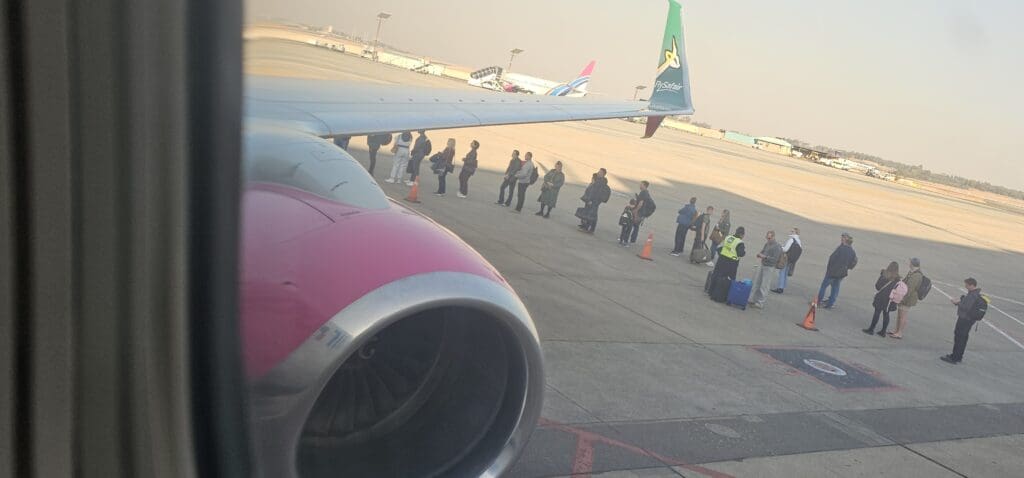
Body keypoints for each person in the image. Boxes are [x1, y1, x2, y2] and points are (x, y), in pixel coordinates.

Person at [942, 278, 985, 364]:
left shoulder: (972, 295)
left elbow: (966, 308)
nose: (965, 286)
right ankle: (958, 356)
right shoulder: (975, 294)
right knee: (963, 338)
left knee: (959, 337)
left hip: (965, 319)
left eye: (967, 285)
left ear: (971, 285)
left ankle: (954, 357)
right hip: (969, 320)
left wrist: (957, 303)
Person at [817, 232, 857, 309]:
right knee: (835, 288)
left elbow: (832, 258)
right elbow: (854, 262)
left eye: (843, 238)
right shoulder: (852, 251)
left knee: (824, 286)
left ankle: (818, 301)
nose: (841, 239)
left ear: (846, 240)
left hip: (833, 271)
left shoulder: (841, 248)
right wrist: (847, 267)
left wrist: (829, 269)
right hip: (842, 273)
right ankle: (830, 303)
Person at [863, 262, 901, 337]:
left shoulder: (884, 275)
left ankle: (871, 329)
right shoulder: (898, 279)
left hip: (881, 297)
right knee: (886, 314)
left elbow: (877, 286)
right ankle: (883, 331)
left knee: (877, 312)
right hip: (890, 299)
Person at [889, 258, 923, 339]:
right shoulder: (912, 272)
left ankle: (899, 332)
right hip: (904, 296)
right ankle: (896, 330)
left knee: (903, 315)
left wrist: (902, 298)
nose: (909, 264)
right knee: (899, 315)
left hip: (908, 299)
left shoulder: (916, 275)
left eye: (910, 262)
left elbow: (909, 289)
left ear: (912, 264)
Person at [748, 230, 783, 309]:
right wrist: (759, 254)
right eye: (767, 238)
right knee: (757, 282)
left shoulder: (777, 247)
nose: (768, 239)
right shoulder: (767, 244)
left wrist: (765, 257)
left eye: (769, 238)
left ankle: (760, 303)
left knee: (764, 286)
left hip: (770, 267)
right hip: (762, 264)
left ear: (773, 237)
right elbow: (763, 251)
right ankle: (752, 299)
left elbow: (775, 259)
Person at [577, 168, 610, 233]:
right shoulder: (596, 179)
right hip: (590, 199)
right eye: (599, 171)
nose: (598, 173)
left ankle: (588, 228)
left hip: (594, 201)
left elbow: (597, 193)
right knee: (589, 213)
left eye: (600, 172)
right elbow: (591, 189)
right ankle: (587, 226)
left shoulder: (601, 183)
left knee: (592, 214)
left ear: (603, 174)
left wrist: (592, 201)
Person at [771, 227, 802, 294]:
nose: (791, 232)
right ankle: (783, 286)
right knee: (785, 273)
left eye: (792, 231)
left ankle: (780, 288)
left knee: (782, 272)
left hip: (786, 258)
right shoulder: (799, 241)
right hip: (792, 260)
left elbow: (785, 249)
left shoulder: (791, 240)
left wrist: (781, 247)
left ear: (795, 233)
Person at [624, 181, 654, 245]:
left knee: (631, 225)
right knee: (636, 226)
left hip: (639, 213)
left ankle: (626, 239)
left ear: (644, 186)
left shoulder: (643, 193)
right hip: (641, 213)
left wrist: (635, 211)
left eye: (641, 185)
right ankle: (633, 240)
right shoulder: (646, 193)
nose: (640, 186)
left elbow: (641, 203)